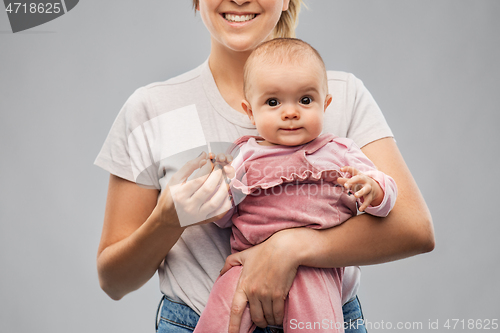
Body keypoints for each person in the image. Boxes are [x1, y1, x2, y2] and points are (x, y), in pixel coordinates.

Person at [94, 1, 435, 333]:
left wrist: (289, 248)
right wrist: (167, 221)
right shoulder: (151, 109)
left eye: (305, 100)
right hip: (201, 319)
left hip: (325, 314)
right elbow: (114, 281)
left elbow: (413, 228)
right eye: (272, 102)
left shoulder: (343, 96)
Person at [193, 38, 398, 333]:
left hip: (316, 269)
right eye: (273, 102)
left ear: (325, 104)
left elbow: (388, 193)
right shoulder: (245, 157)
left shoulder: (340, 151)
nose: (290, 112)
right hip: (248, 268)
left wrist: (373, 189)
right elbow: (226, 219)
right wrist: (216, 193)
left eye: (305, 100)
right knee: (219, 318)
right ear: (250, 111)